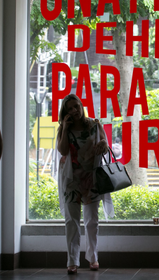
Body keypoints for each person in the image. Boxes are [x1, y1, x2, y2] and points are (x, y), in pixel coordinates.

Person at [56, 94, 113, 274]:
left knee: (91, 221)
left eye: (76, 106)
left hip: (91, 178)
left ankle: (93, 257)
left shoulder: (95, 125)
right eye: (69, 109)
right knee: (71, 221)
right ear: (65, 113)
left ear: (81, 106)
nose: (74, 111)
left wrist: (103, 144)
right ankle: (72, 261)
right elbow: (63, 150)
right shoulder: (64, 128)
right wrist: (65, 128)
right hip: (71, 179)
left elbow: (104, 142)